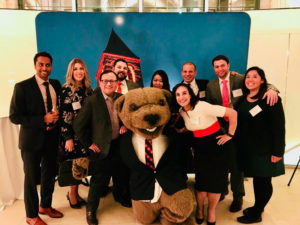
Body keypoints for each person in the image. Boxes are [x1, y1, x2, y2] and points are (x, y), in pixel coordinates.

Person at [206, 55, 279, 212]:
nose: (220, 69)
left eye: (222, 65)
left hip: (239, 129)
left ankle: (238, 196)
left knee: (236, 165)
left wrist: (273, 89)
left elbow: (262, 83)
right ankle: (222, 190)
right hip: (219, 130)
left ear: (228, 65)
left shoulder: (240, 78)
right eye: (216, 66)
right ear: (213, 68)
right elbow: (211, 108)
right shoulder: (211, 86)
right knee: (221, 163)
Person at [9, 52, 63, 225]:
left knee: (49, 175)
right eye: (41, 64)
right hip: (31, 141)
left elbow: (58, 107)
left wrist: (57, 116)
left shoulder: (55, 84)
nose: (44, 68)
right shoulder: (22, 87)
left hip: (52, 138)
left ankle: (45, 206)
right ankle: (31, 216)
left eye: (48, 65)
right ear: (35, 65)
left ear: (51, 67)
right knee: (31, 179)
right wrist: (42, 119)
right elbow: (15, 117)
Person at [173, 83, 237, 225]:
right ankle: (200, 209)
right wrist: (180, 131)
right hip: (200, 150)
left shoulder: (202, 105)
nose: (181, 97)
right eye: (178, 94)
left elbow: (233, 113)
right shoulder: (182, 111)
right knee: (201, 183)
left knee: (215, 183)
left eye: (184, 93)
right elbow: (193, 126)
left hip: (217, 147)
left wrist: (230, 135)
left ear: (190, 94)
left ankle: (211, 210)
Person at [73, 70, 129, 225]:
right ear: (100, 82)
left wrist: (124, 125)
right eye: (105, 81)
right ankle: (91, 210)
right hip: (101, 148)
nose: (108, 84)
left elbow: (127, 117)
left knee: (120, 174)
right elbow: (78, 125)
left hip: (118, 145)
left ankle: (120, 197)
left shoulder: (121, 98)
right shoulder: (92, 101)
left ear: (117, 83)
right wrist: (88, 143)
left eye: (112, 81)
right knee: (98, 181)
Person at [236, 67, 285, 224]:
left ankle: (256, 213)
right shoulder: (244, 97)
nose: (250, 79)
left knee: (263, 182)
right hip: (250, 150)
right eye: (248, 77)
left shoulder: (269, 98)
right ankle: (258, 206)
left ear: (262, 80)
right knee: (258, 181)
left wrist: (278, 152)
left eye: (255, 77)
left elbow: (279, 127)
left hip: (266, 150)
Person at [59, 58, 93, 209]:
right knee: (75, 164)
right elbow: (65, 116)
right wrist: (68, 138)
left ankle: (76, 193)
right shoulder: (67, 89)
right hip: (74, 135)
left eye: (81, 68)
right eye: (75, 69)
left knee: (82, 164)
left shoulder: (88, 90)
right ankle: (72, 194)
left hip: (86, 134)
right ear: (71, 72)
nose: (79, 71)